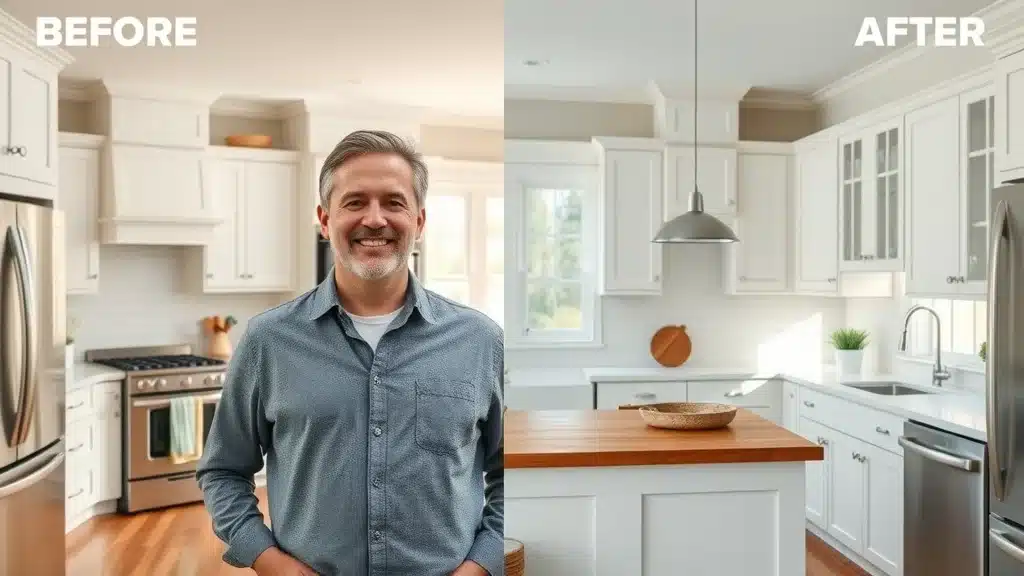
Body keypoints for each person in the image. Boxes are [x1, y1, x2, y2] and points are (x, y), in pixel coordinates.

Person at [196, 130, 504, 576]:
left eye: (393, 202)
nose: (375, 219)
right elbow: (223, 471)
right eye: (355, 202)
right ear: (325, 220)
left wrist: (480, 565)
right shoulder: (269, 340)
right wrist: (269, 561)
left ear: (419, 221)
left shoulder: (480, 341)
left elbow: (512, 475)